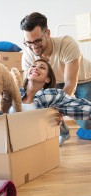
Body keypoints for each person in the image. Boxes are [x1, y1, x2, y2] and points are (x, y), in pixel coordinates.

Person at [20, 12, 91, 146]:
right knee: (43, 102)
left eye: (37, 41)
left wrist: (59, 109)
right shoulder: (28, 55)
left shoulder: (66, 44)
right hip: (53, 82)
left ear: (47, 33)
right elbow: (30, 88)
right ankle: (62, 133)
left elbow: (70, 82)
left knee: (86, 123)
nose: (33, 46)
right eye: (28, 42)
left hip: (82, 79)